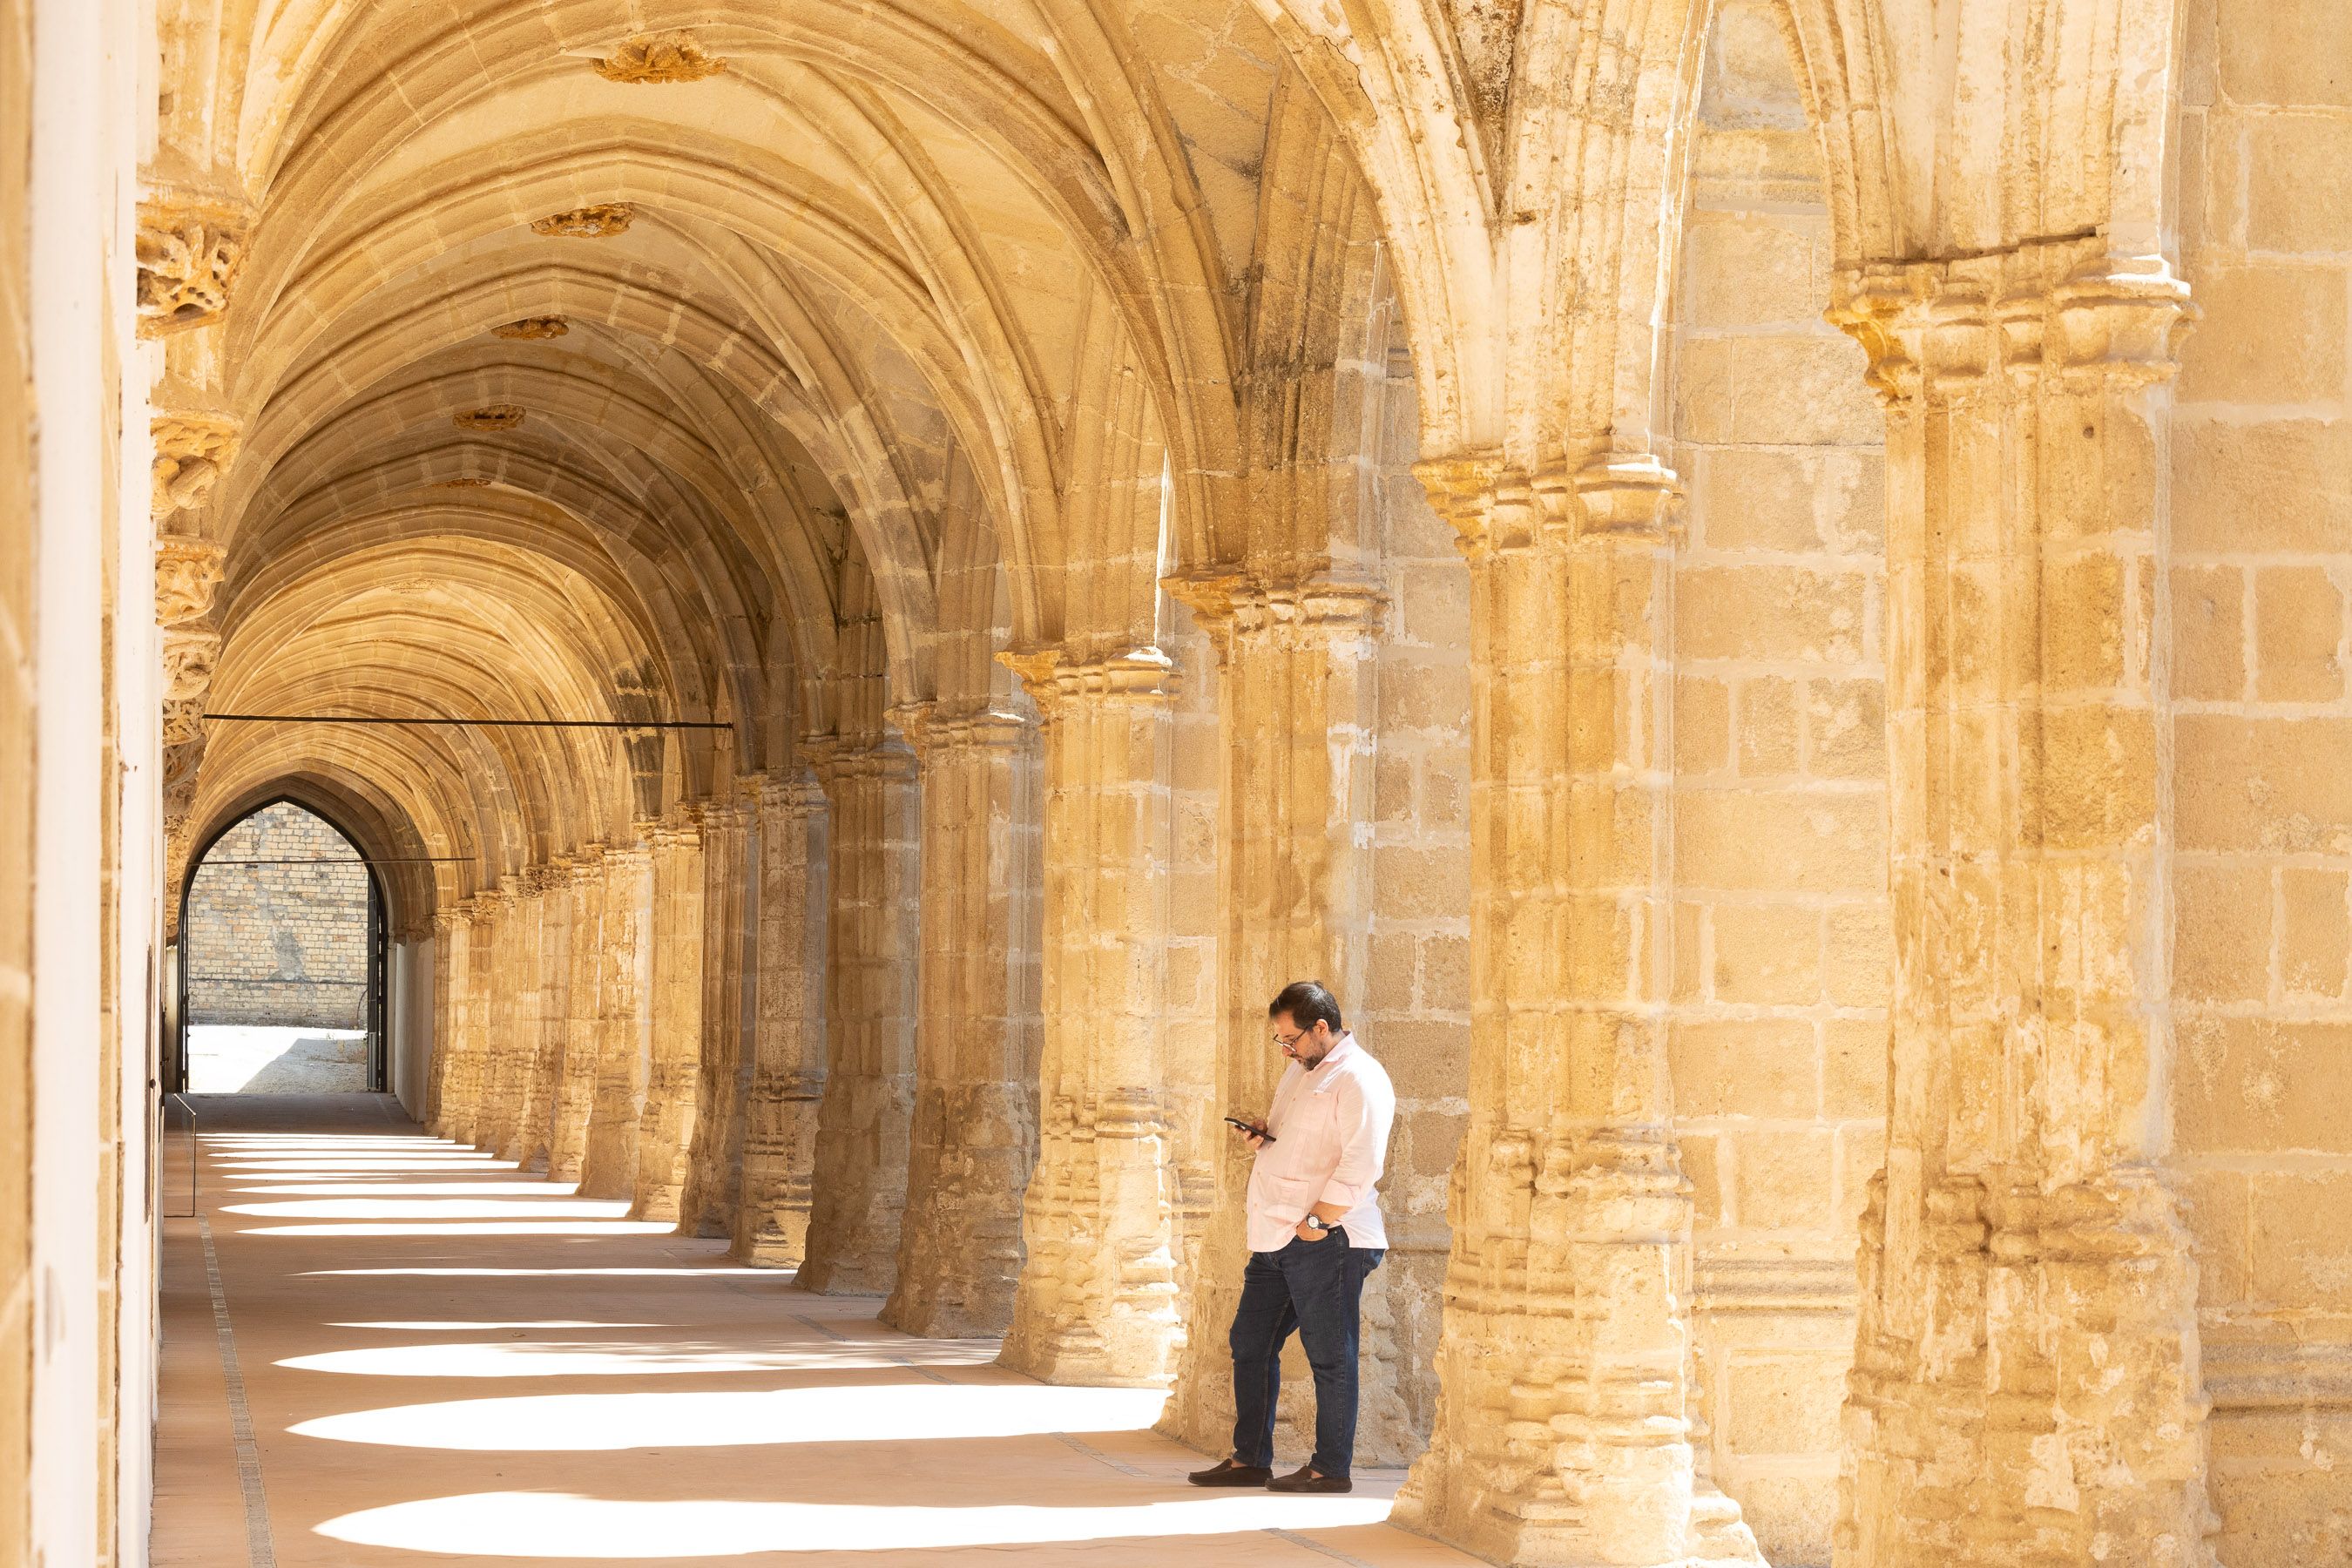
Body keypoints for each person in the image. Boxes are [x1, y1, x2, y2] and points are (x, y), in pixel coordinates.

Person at [1187, 979, 1396, 1495]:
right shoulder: (1301, 1070)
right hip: (1277, 1234)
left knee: (1330, 1353)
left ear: (1321, 1028)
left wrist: (1319, 1223)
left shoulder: (1360, 1078)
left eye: (1291, 1039)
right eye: (1280, 1041)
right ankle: (1251, 1459)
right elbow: (1299, 1141)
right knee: (1250, 1342)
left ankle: (1330, 1469)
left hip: (1329, 1237)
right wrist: (1264, 1134)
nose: (1286, 1048)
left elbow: (1362, 1162)